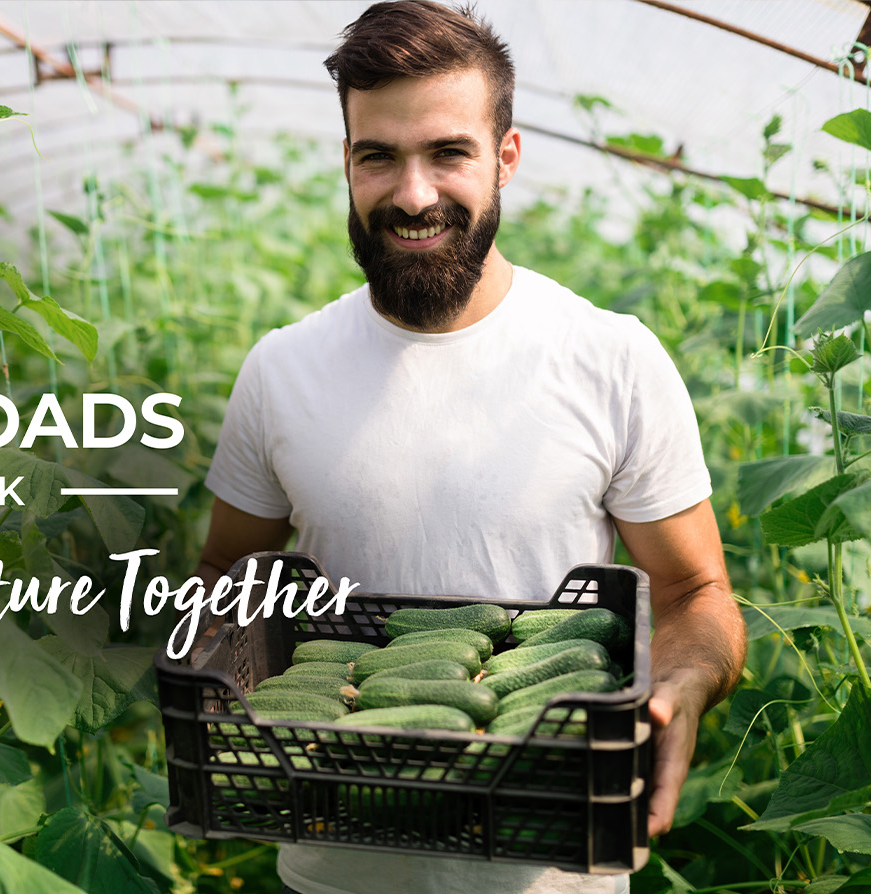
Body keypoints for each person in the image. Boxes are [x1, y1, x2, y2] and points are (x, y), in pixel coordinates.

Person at [194, 3, 746, 892]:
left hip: (552, 865)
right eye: (379, 155)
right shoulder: (280, 370)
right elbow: (226, 577)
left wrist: (682, 681)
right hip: (337, 864)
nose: (414, 194)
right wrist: (223, 682)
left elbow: (695, 592)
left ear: (506, 157)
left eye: (448, 152)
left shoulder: (612, 358)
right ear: (347, 163)